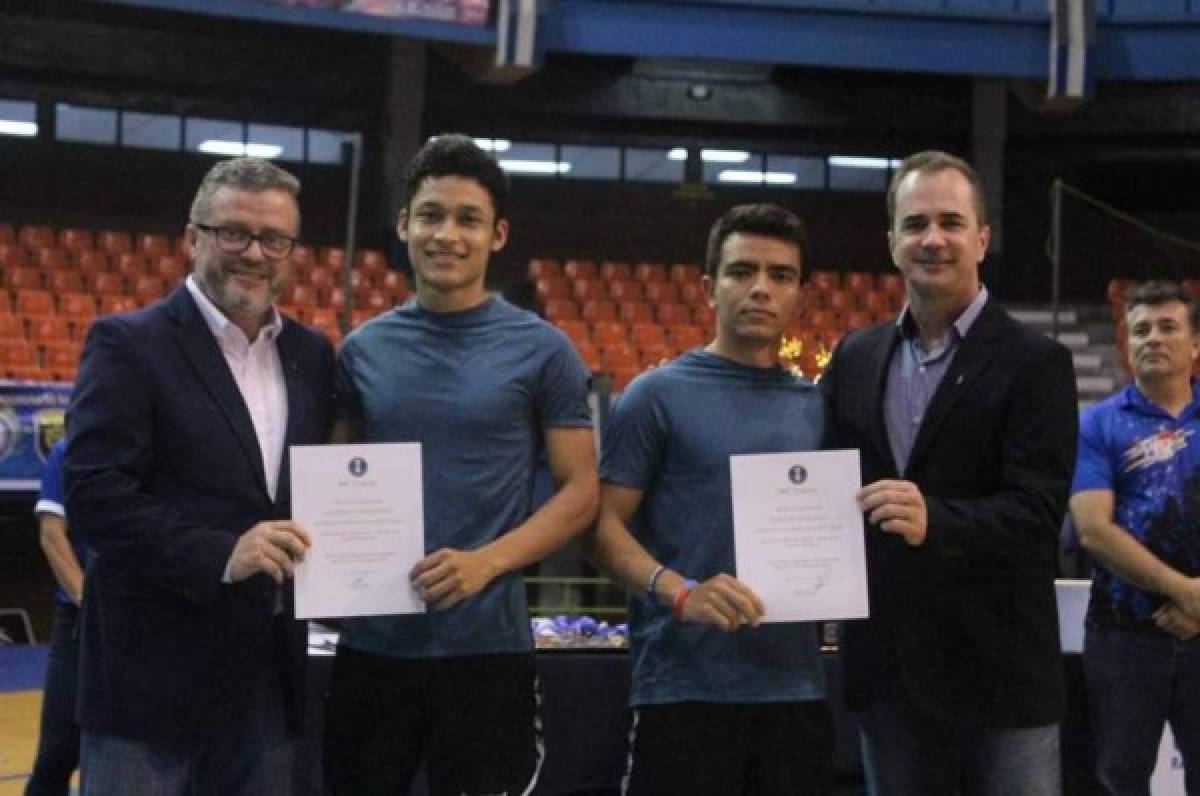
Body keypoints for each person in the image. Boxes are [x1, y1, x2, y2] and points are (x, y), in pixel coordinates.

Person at [323, 133, 598, 796]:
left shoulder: (544, 351)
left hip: (486, 650)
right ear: (404, 226)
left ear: (497, 234)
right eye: (432, 215)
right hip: (373, 647)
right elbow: (334, 482)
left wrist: (488, 562)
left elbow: (581, 491)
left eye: (468, 219)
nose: (448, 234)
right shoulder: (362, 351)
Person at [64, 158, 335, 795]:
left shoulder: (312, 355)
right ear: (192, 238)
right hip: (148, 686)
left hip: (269, 682)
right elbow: (94, 495)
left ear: (292, 252)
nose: (255, 253)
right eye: (233, 232)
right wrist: (222, 553)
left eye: (274, 239)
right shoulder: (128, 344)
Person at [821, 150, 1078, 795]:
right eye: (914, 225)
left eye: (950, 223)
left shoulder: (1036, 362)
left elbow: (1039, 512)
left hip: (1001, 676)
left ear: (981, 239)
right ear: (891, 243)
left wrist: (936, 519)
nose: (932, 239)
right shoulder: (854, 356)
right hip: (890, 676)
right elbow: (830, 492)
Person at [590, 203, 832, 795]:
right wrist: (681, 594)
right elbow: (599, 530)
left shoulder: (820, 407)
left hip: (796, 691)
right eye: (741, 271)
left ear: (799, 293)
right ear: (708, 287)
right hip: (684, 689)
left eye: (780, 276)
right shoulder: (656, 396)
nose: (760, 289)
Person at [1070, 280, 1200, 794]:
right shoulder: (1098, 424)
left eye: (1168, 327)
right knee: (1120, 778)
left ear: (1195, 343)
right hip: (1123, 636)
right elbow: (1093, 530)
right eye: (1140, 329)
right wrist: (1185, 590)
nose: (1152, 339)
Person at [26, 439, 85, 796]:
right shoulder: (70, 451)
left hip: (145, 623)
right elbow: (51, 534)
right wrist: (86, 598)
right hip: (81, 620)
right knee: (58, 751)